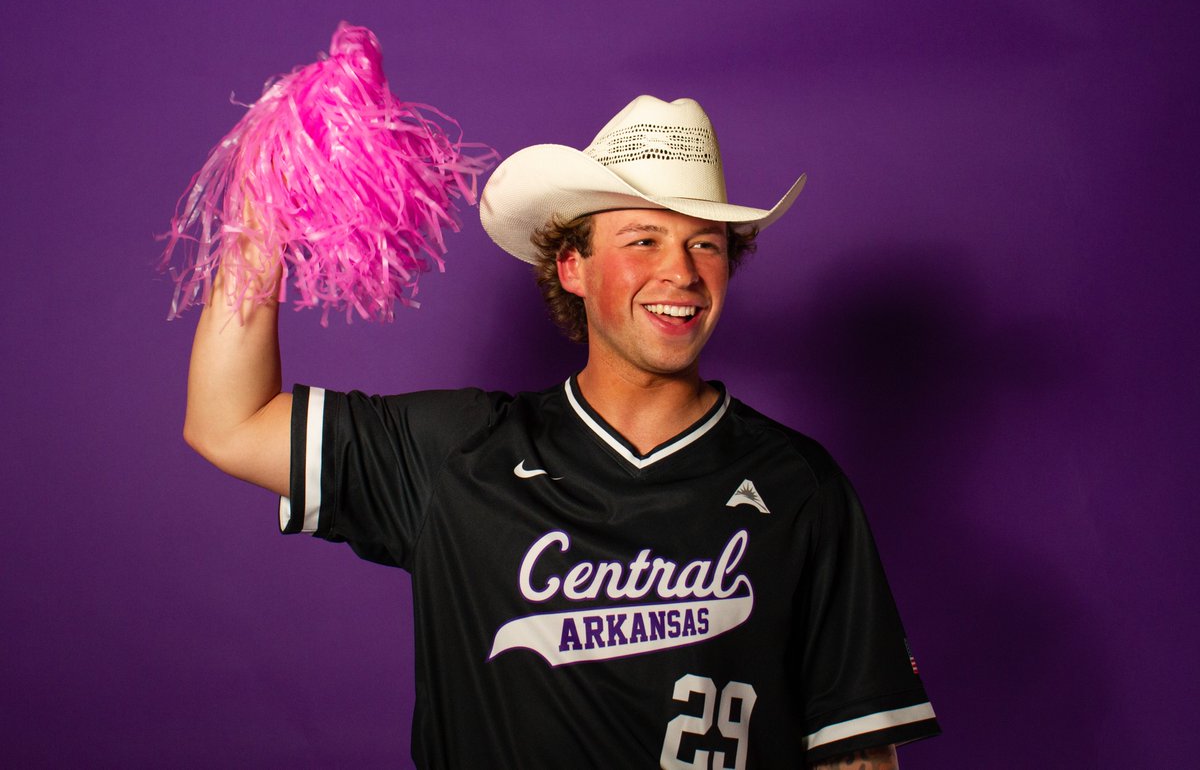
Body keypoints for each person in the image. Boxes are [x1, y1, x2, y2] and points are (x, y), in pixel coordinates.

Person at [184, 95, 939, 768]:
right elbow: (231, 423)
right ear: (573, 266)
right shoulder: (463, 454)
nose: (680, 270)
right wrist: (259, 214)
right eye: (643, 239)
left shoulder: (799, 484)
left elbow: (857, 752)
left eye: (705, 243)